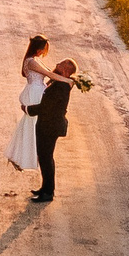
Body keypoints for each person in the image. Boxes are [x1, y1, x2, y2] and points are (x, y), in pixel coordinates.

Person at [31, 57, 78, 203]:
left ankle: (48, 192)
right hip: (47, 125)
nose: (58, 63)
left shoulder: (62, 86)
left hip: (50, 127)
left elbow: (46, 107)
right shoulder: (59, 82)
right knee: (45, 157)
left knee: (46, 158)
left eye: (62, 63)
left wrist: (28, 109)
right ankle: (45, 188)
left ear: (66, 70)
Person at [7, 36, 50, 174]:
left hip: (37, 90)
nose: (43, 52)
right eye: (43, 49)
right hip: (34, 93)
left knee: (29, 124)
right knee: (32, 125)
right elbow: (49, 74)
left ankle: (19, 156)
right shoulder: (31, 62)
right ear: (38, 49)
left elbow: (48, 75)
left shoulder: (34, 60)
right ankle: (23, 156)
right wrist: (67, 80)